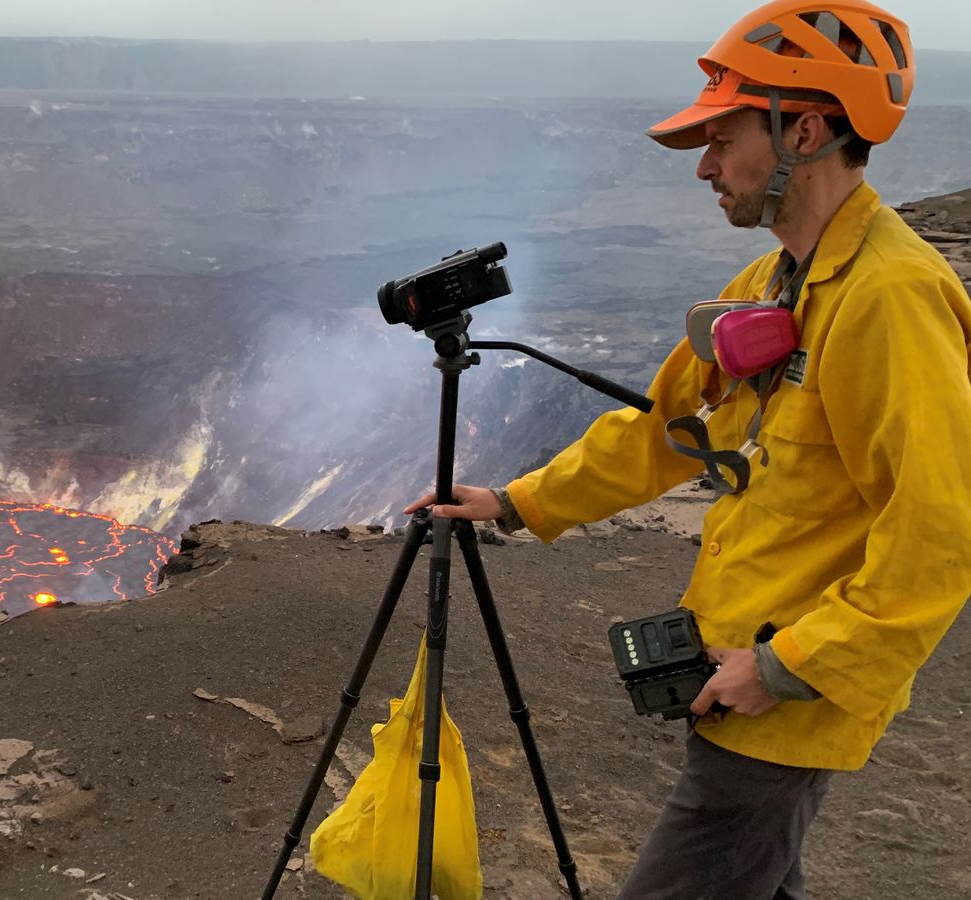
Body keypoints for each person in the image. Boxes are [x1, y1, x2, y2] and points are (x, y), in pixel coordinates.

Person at [403, 2, 971, 897]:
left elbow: (939, 531)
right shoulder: (777, 282)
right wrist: (519, 502)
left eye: (723, 137)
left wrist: (787, 666)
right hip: (740, 665)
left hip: (780, 696)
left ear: (808, 130)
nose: (705, 166)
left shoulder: (889, 299)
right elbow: (667, 430)